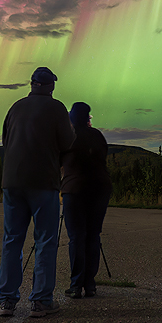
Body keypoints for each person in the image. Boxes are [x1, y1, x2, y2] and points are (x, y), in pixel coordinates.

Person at [0, 66, 76, 318]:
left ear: (31, 84)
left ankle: (6, 301)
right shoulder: (57, 108)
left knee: (12, 240)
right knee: (45, 240)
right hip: (43, 182)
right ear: (51, 86)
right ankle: (41, 300)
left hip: (12, 181)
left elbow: (5, 139)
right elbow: (68, 142)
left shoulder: (15, 107)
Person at [60, 102, 113, 299]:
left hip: (74, 189)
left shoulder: (68, 137)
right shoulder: (97, 136)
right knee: (93, 235)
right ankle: (89, 284)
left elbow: (58, 159)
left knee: (76, 237)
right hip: (100, 188)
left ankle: (76, 285)